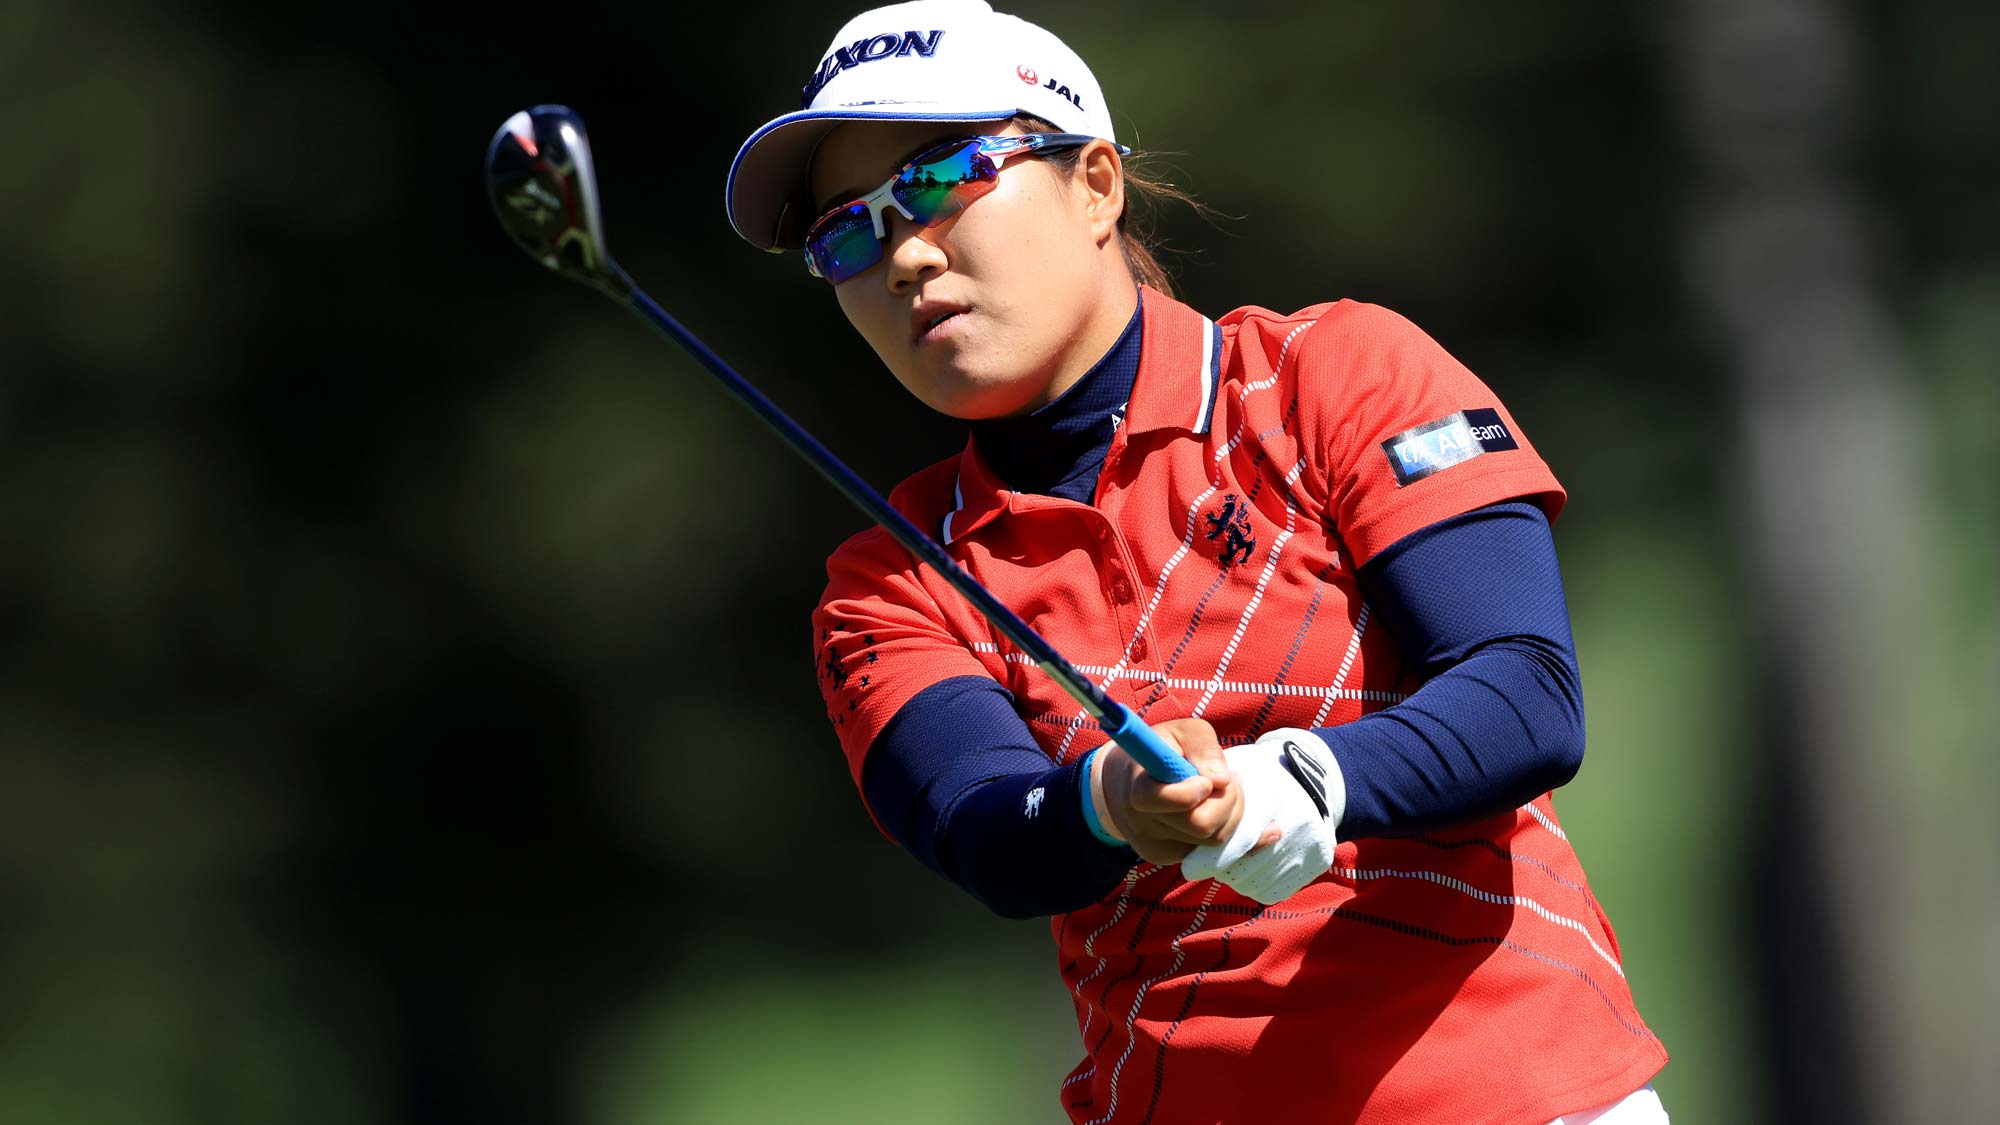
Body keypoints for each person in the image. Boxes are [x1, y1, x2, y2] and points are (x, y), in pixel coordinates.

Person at [724, 2, 1669, 1121]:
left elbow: (1523, 694)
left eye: (937, 180)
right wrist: (1107, 802)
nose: (904, 252)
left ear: (1092, 184)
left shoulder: (1331, 375)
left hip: (1519, 1093)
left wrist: (1297, 782)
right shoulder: (889, 582)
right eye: (847, 232)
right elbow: (984, 828)